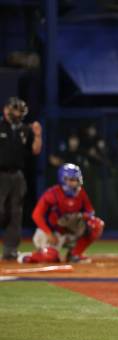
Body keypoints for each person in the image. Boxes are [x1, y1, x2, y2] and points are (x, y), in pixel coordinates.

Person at [18, 164, 104, 264]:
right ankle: (26, 257)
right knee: (51, 258)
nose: (75, 183)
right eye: (72, 179)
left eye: (76, 179)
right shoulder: (52, 193)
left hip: (68, 232)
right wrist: (49, 233)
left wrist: (82, 217)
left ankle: (74, 255)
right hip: (50, 232)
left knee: (96, 225)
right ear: (63, 180)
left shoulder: (80, 193)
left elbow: (90, 211)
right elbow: (36, 215)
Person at [0, 97, 42, 260]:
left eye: (20, 110)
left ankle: (10, 250)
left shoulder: (25, 130)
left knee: (16, 213)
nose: (18, 113)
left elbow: (35, 150)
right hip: (0, 173)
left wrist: (38, 135)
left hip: (17, 175)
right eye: (15, 109)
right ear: (7, 109)